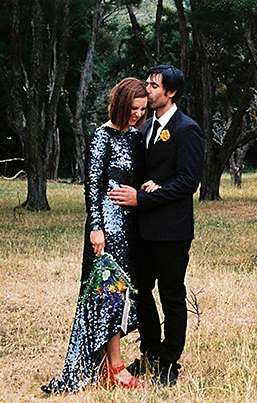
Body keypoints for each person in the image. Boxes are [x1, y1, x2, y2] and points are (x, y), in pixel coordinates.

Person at [43, 78, 149, 394]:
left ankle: (108, 366)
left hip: (132, 228)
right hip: (108, 230)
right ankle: (115, 368)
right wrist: (96, 228)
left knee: (122, 295)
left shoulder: (135, 137)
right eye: (133, 109)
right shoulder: (102, 136)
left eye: (142, 110)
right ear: (120, 105)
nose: (138, 115)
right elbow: (92, 187)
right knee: (109, 295)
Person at [110, 64, 204, 386]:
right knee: (141, 293)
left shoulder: (186, 129)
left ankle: (169, 363)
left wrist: (148, 196)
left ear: (171, 92)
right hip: (143, 229)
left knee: (172, 295)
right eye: (148, 84)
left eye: (154, 86)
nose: (147, 90)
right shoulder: (146, 127)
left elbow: (188, 182)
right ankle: (150, 353)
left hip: (172, 231)